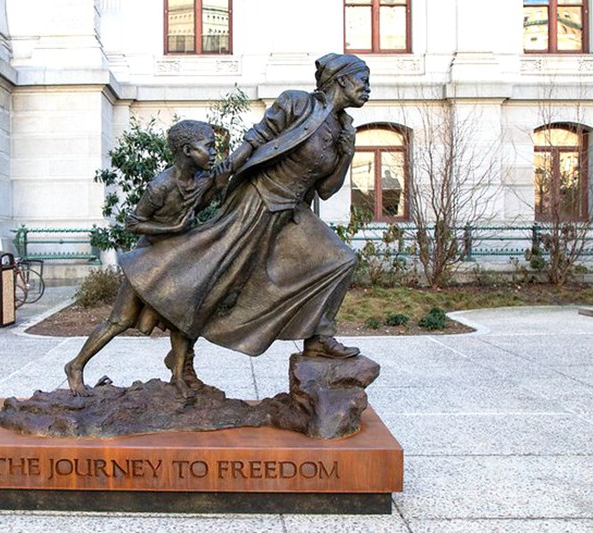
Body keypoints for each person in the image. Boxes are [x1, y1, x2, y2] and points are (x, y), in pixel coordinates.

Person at [119, 53, 370, 360]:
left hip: (292, 210)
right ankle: (181, 353)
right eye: (363, 80)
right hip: (259, 198)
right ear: (342, 80)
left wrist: (346, 155)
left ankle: (319, 337)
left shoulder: (344, 128)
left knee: (340, 259)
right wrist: (225, 171)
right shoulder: (297, 103)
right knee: (221, 280)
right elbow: (257, 138)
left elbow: (326, 191)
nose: (367, 88)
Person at [65, 119, 230, 397]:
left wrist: (220, 184)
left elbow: (205, 198)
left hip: (177, 258)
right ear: (188, 150)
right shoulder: (161, 186)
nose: (214, 152)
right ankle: (75, 365)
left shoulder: (202, 179)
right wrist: (172, 228)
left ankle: (178, 376)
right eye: (209, 146)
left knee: (182, 319)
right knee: (120, 320)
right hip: (148, 261)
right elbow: (133, 223)